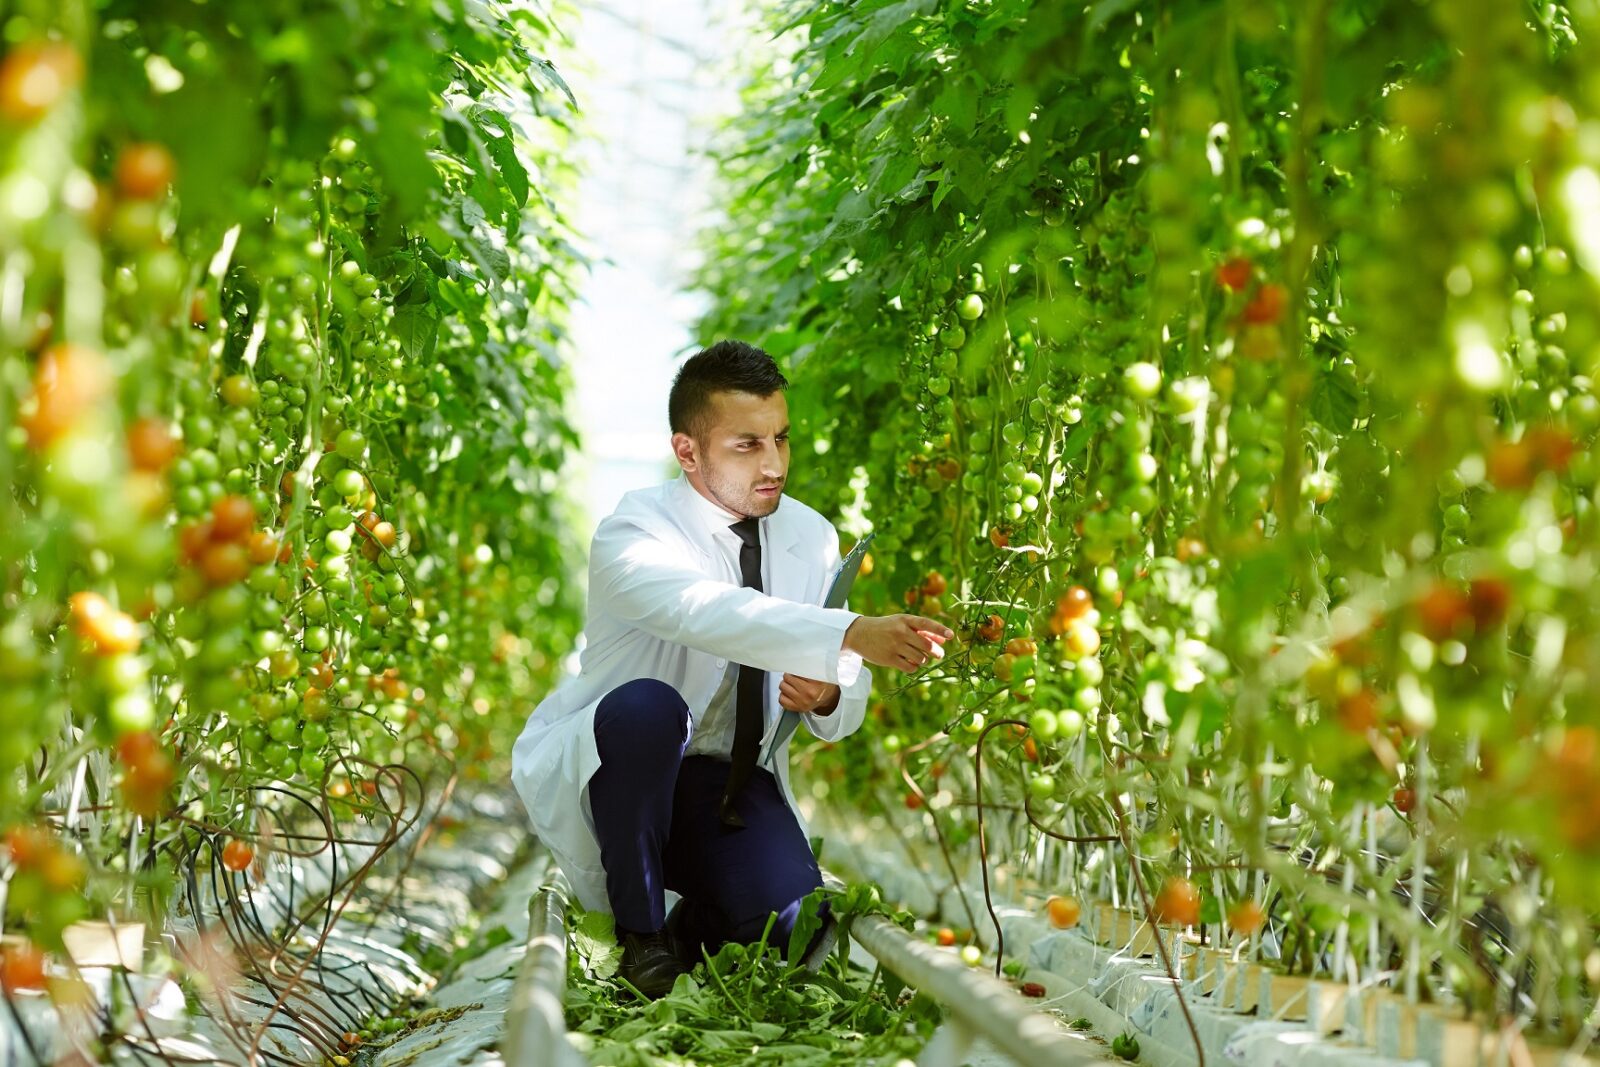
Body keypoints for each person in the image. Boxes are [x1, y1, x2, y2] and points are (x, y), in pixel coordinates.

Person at [510, 339, 951, 998]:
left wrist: (829, 689)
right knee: (648, 709)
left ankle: (691, 929)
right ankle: (642, 935)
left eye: (781, 438)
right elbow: (708, 611)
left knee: (794, 922)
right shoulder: (635, 531)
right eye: (747, 445)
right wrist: (848, 634)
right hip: (628, 778)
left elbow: (840, 691)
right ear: (688, 452)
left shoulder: (810, 535)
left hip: (724, 784)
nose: (773, 463)